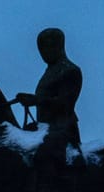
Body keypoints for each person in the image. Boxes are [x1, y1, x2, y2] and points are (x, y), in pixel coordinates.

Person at [12, 27, 83, 181]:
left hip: (62, 128)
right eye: (41, 49)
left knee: (46, 159)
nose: (43, 53)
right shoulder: (49, 72)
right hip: (44, 128)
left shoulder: (71, 70)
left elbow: (66, 103)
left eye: (46, 48)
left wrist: (35, 100)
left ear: (59, 46)